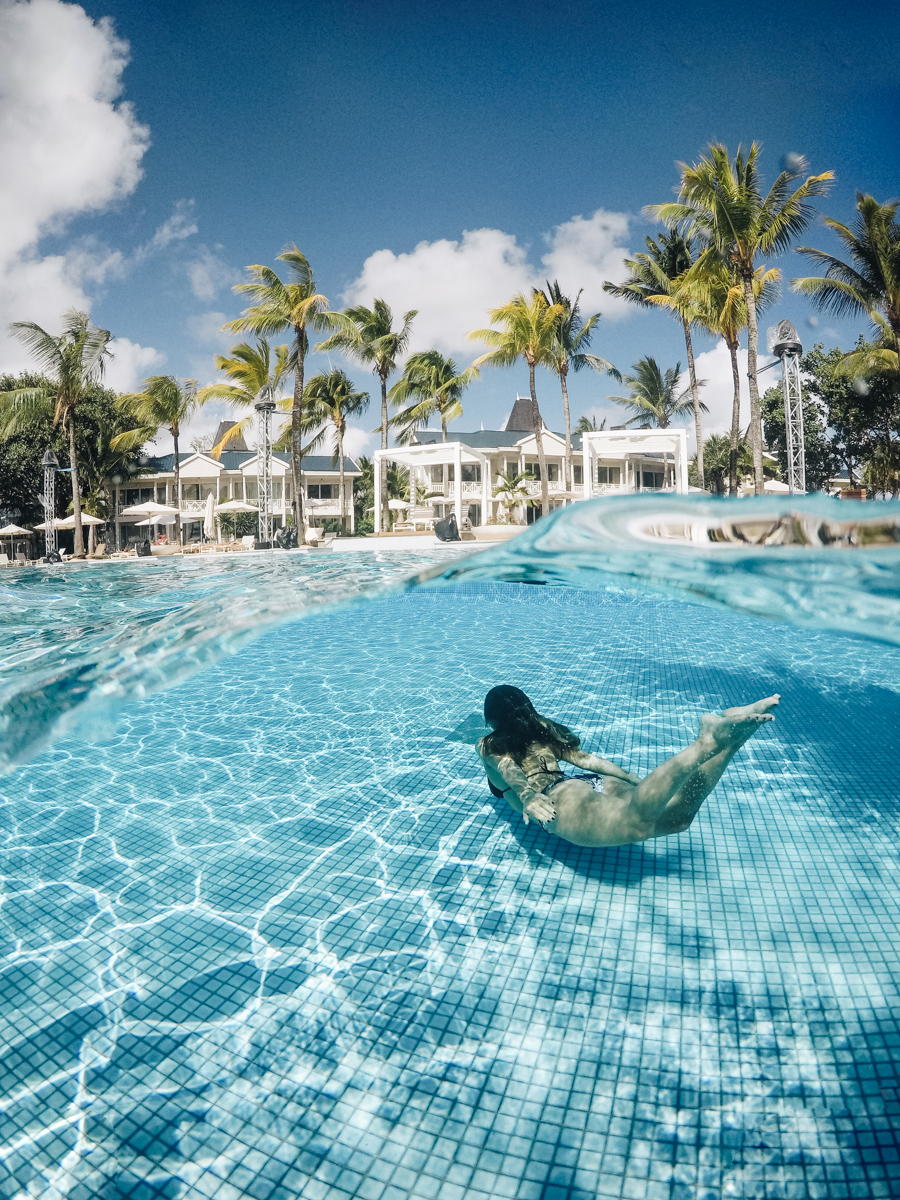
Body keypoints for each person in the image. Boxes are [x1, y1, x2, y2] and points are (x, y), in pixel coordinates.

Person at [477, 685, 778, 848]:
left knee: (637, 824)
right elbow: (586, 761)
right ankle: (733, 738)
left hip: (558, 797)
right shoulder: (540, 730)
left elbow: (508, 770)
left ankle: (706, 742)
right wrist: (627, 776)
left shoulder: (488, 743)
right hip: (585, 782)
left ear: (492, 719)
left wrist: (529, 797)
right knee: (678, 818)